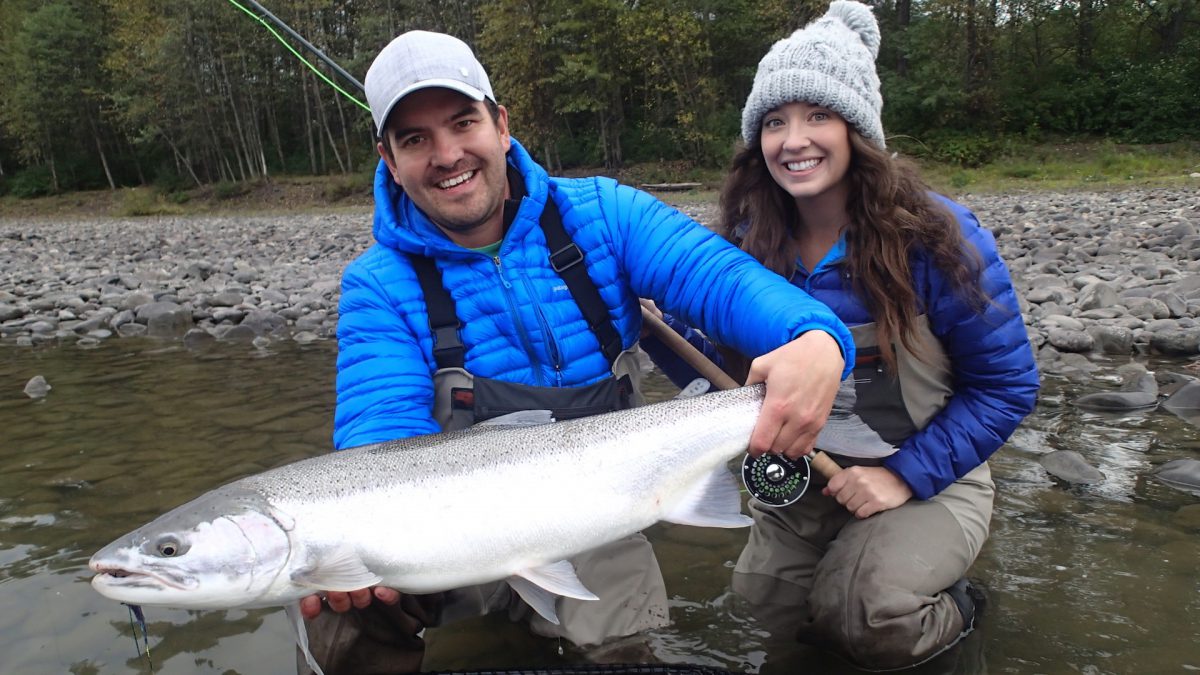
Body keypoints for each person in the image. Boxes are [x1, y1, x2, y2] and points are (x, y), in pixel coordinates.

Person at [299, 29, 858, 674]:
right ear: (389, 161)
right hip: (446, 534)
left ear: (501, 126)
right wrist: (361, 548)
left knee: (621, 656)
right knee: (342, 609)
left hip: (594, 514)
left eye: (462, 123)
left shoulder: (603, 213)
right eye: (415, 139)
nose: (448, 154)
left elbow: (726, 282)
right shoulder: (377, 283)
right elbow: (379, 439)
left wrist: (814, 338)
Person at [647, 1, 1040, 670]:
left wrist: (904, 477)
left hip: (930, 482)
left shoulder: (941, 239)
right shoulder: (744, 249)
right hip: (801, 494)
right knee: (763, 623)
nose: (793, 139)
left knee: (864, 614)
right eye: (774, 122)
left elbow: (1008, 387)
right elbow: (718, 376)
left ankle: (962, 609)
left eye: (817, 116)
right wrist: (644, 318)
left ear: (857, 129)